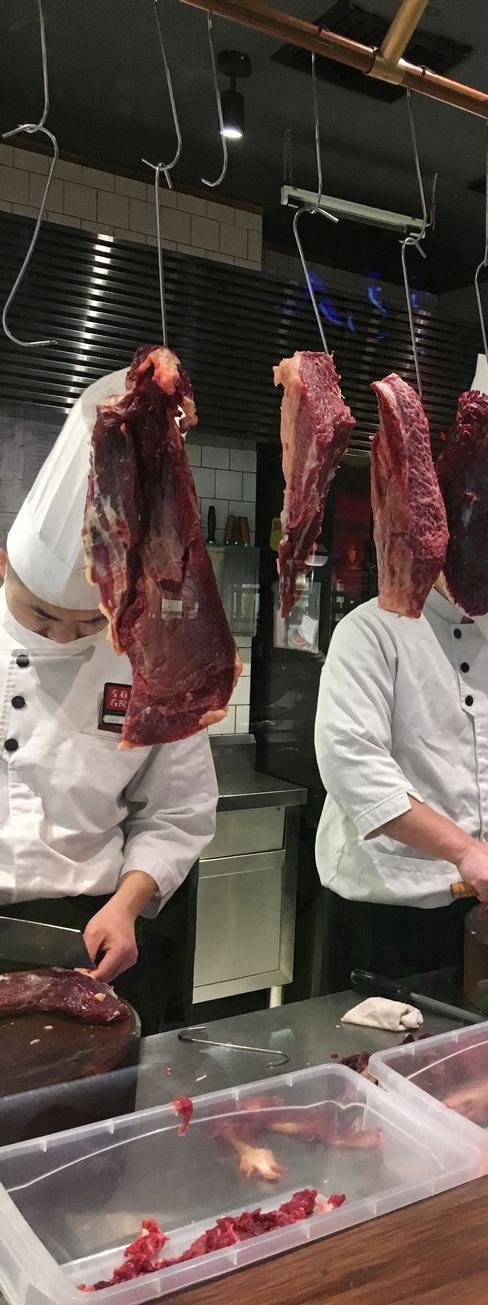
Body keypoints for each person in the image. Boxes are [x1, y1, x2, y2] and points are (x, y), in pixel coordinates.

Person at [0, 372, 218, 1029]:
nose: (65, 635)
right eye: (41, 616)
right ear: (3, 567)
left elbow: (177, 813)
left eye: (89, 622)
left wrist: (127, 904)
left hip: (90, 930)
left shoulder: (153, 655)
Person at [315, 540, 488, 986]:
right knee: (376, 1052)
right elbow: (352, 762)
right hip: (387, 910)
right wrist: (466, 851)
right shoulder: (374, 629)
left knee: (481, 1048)